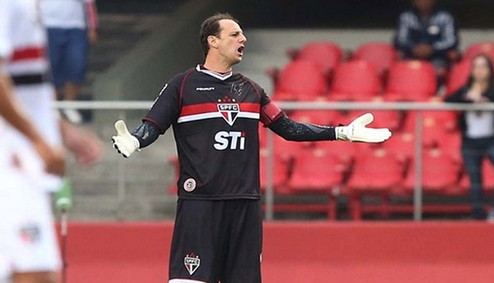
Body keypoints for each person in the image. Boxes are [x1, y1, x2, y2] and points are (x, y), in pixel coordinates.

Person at [111, 13, 391, 283]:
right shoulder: (182, 85)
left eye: (243, 34)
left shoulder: (252, 90)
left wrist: (340, 132)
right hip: (200, 204)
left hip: (244, 204)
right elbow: (153, 125)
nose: (242, 38)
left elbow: (288, 128)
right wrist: (135, 139)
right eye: (234, 34)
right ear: (213, 41)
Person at [0, 1, 103, 282]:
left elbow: (21, 84)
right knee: (35, 274)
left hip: (18, 158)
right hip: (11, 162)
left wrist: (60, 131)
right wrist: (37, 139)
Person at [444, 55, 494, 222]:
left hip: (492, 140)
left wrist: (486, 100)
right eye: (476, 67)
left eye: (483, 67)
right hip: (470, 141)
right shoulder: (466, 89)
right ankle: (478, 213)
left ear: (490, 70)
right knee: (475, 179)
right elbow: (448, 100)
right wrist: (468, 99)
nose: (480, 70)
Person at [40, 0, 99, 123]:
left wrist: (92, 27)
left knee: (77, 64)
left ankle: (69, 105)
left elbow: (89, 3)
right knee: (51, 67)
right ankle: (53, 106)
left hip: (76, 26)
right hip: (48, 25)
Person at [393, 0, 459, 74]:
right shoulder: (406, 17)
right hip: (411, 55)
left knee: (439, 71)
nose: (423, 2)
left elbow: (452, 41)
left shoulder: (445, 17)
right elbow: (399, 40)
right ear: (413, 2)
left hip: (438, 56)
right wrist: (413, 48)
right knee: (406, 72)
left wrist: (433, 49)